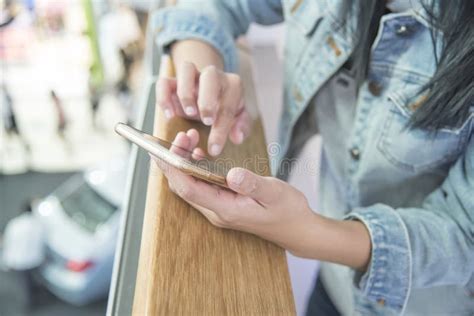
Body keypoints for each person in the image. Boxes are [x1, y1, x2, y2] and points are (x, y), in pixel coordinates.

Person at [151, 1, 474, 315]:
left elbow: (465, 235)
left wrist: (310, 234)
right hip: (334, 281)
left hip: (426, 303)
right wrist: (203, 74)